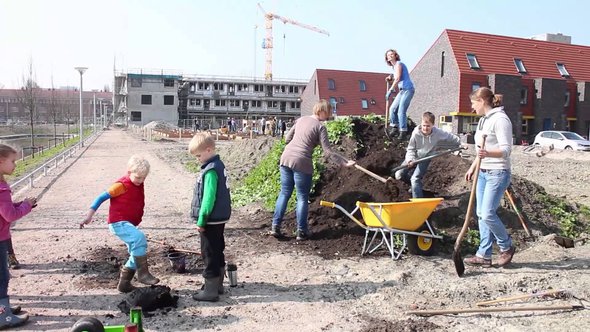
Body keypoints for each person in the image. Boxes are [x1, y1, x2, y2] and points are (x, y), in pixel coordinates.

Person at [271, 100, 355, 240]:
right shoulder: (320, 127)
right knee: (302, 197)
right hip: (301, 162)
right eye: (328, 113)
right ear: (321, 111)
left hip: (286, 158)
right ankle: (301, 231)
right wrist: (344, 163)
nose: (328, 116)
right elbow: (327, 152)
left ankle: (275, 226)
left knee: (285, 193)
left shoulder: (301, 120)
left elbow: (287, 139)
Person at [80, 155, 160, 293]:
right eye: (138, 177)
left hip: (128, 223)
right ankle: (143, 274)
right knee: (140, 239)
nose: (141, 181)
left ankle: (124, 284)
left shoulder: (138, 182)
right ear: (129, 173)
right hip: (118, 222)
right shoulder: (120, 186)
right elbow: (100, 197)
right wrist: (89, 216)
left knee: (136, 252)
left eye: (144, 178)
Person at [464, 87, 515, 268]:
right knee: (480, 214)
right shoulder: (484, 121)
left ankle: (506, 246)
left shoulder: (501, 120)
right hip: (483, 172)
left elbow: (506, 150)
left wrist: (488, 154)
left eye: (473, 103)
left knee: (487, 213)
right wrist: (473, 167)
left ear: (482, 101)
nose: (472, 107)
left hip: (498, 172)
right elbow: (480, 151)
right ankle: (483, 255)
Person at [188, 133, 231, 302]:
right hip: (220, 218)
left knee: (209, 253)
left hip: (211, 219)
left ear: (208, 150)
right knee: (218, 249)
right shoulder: (218, 165)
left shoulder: (211, 170)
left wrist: (201, 220)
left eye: (199, 155)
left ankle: (211, 290)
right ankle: (218, 284)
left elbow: (208, 198)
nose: (198, 159)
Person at [0, 144, 35, 328]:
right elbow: (9, 216)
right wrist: (26, 206)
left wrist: (19, 204)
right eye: (12, 161)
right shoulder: (2, 189)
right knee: (2, 277)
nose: (16, 165)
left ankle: (2, 309)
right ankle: (3, 316)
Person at [394, 112, 461, 198]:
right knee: (399, 175)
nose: (425, 128)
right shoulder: (416, 133)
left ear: (433, 125)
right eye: (424, 125)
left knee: (415, 179)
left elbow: (452, 138)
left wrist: (460, 143)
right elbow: (411, 149)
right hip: (415, 155)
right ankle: (415, 187)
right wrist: (410, 160)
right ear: (421, 124)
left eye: (428, 126)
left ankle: (418, 202)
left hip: (426, 157)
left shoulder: (438, 132)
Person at [385, 49, 415, 140]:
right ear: (387, 58)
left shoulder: (399, 64)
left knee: (401, 111)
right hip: (401, 91)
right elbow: (395, 77)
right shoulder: (394, 68)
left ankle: (403, 132)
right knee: (392, 109)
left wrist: (390, 90)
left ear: (395, 55)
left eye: (391, 54)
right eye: (388, 55)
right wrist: (390, 78)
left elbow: (397, 78)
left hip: (408, 89)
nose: (390, 56)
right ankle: (394, 128)